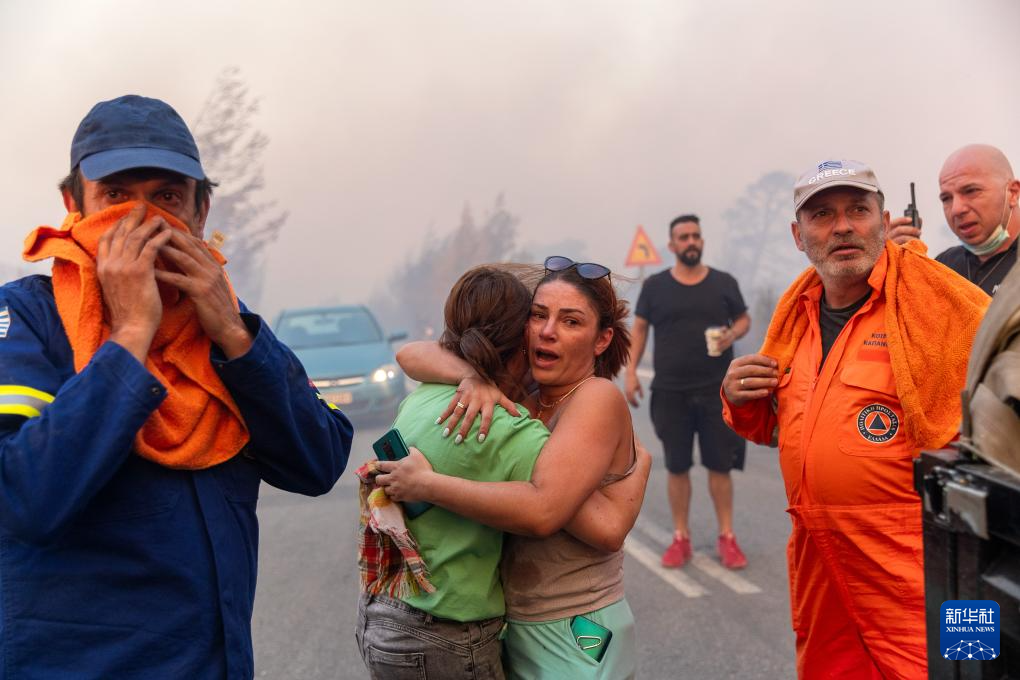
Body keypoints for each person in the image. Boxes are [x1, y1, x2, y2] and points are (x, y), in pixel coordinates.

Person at [0, 94, 353, 677]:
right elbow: (26, 499)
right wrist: (131, 334)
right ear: (73, 205)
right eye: (116, 196)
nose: (142, 220)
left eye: (166, 197)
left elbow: (319, 462)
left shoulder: (221, 322)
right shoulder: (26, 321)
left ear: (200, 211)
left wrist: (236, 337)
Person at [721, 159, 989, 679]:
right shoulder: (794, 319)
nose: (842, 226)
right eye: (822, 215)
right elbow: (777, 427)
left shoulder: (937, 308)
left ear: (883, 222)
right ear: (798, 236)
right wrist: (738, 397)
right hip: (822, 567)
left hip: (927, 563)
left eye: (858, 211)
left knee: (969, 668)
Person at [378, 257, 648, 679]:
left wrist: (429, 485)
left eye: (571, 321)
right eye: (538, 315)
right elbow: (410, 353)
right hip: (518, 628)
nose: (547, 331)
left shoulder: (595, 397)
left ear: (602, 340)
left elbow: (547, 512)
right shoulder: (527, 396)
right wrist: (472, 376)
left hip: (578, 627)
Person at [624, 214, 751, 569]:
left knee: (720, 466)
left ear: (702, 241)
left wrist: (733, 334)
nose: (691, 241)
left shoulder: (724, 283)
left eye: (696, 235)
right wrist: (631, 372)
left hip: (717, 391)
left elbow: (743, 319)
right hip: (671, 392)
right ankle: (681, 537)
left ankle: (727, 537)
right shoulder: (655, 287)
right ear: (672, 245)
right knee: (677, 467)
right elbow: (639, 329)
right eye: (684, 237)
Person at [888, 144, 1019, 296]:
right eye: (946, 198)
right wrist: (893, 265)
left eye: (971, 191)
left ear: (1013, 193)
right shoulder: (943, 265)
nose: (956, 209)